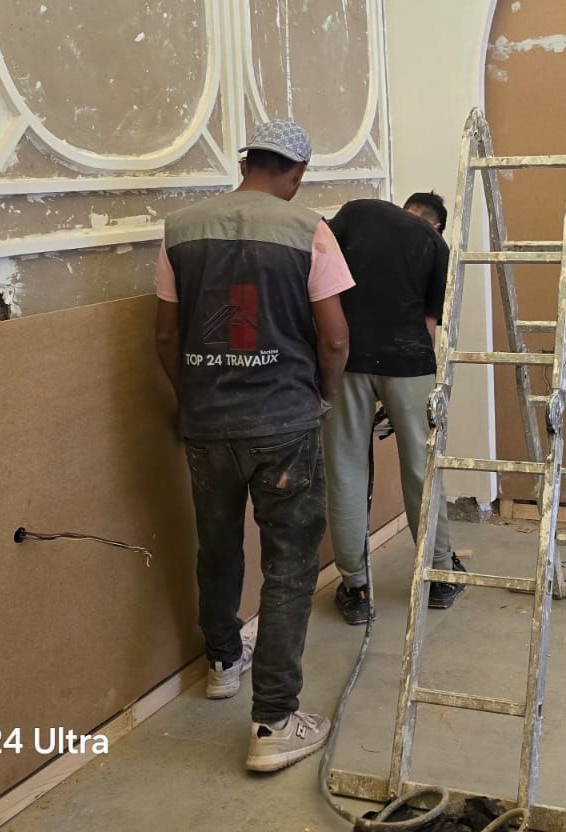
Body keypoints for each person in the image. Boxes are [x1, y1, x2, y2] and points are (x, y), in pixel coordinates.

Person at [153, 118, 355, 773]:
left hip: (208, 426)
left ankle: (221, 663)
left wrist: (192, 399)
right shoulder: (309, 230)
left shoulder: (181, 229)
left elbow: (165, 336)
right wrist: (322, 397)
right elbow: (334, 339)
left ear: (246, 162)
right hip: (285, 423)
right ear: (296, 172)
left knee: (217, 547)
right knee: (290, 566)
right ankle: (273, 720)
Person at [323, 191, 464, 624]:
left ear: (405, 207)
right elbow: (428, 325)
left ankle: (356, 588)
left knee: (346, 468)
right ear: (436, 223)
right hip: (408, 363)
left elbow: (318, 268)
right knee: (422, 467)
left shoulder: (358, 212)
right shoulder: (435, 244)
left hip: (346, 358)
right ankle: (438, 576)